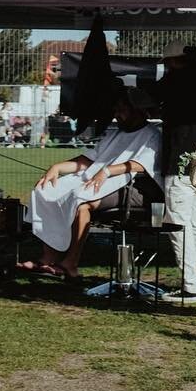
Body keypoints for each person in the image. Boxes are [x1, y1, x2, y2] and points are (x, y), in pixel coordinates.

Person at [20, 87, 162, 280]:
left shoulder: (152, 135)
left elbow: (140, 164)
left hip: (131, 187)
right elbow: (91, 159)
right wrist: (57, 168)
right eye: (116, 110)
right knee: (44, 190)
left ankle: (70, 264)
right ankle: (49, 257)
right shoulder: (115, 134)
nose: (117, 115)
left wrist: (107, 171)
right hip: (99, 179)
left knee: (81, 201)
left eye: (122, 110)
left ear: (137, 110)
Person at [150, 40, 196, 303]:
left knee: (177, 223)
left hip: (180, 160)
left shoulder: (175, 81)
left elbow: (147, 98)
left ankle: (190, 284)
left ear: (173, 61)